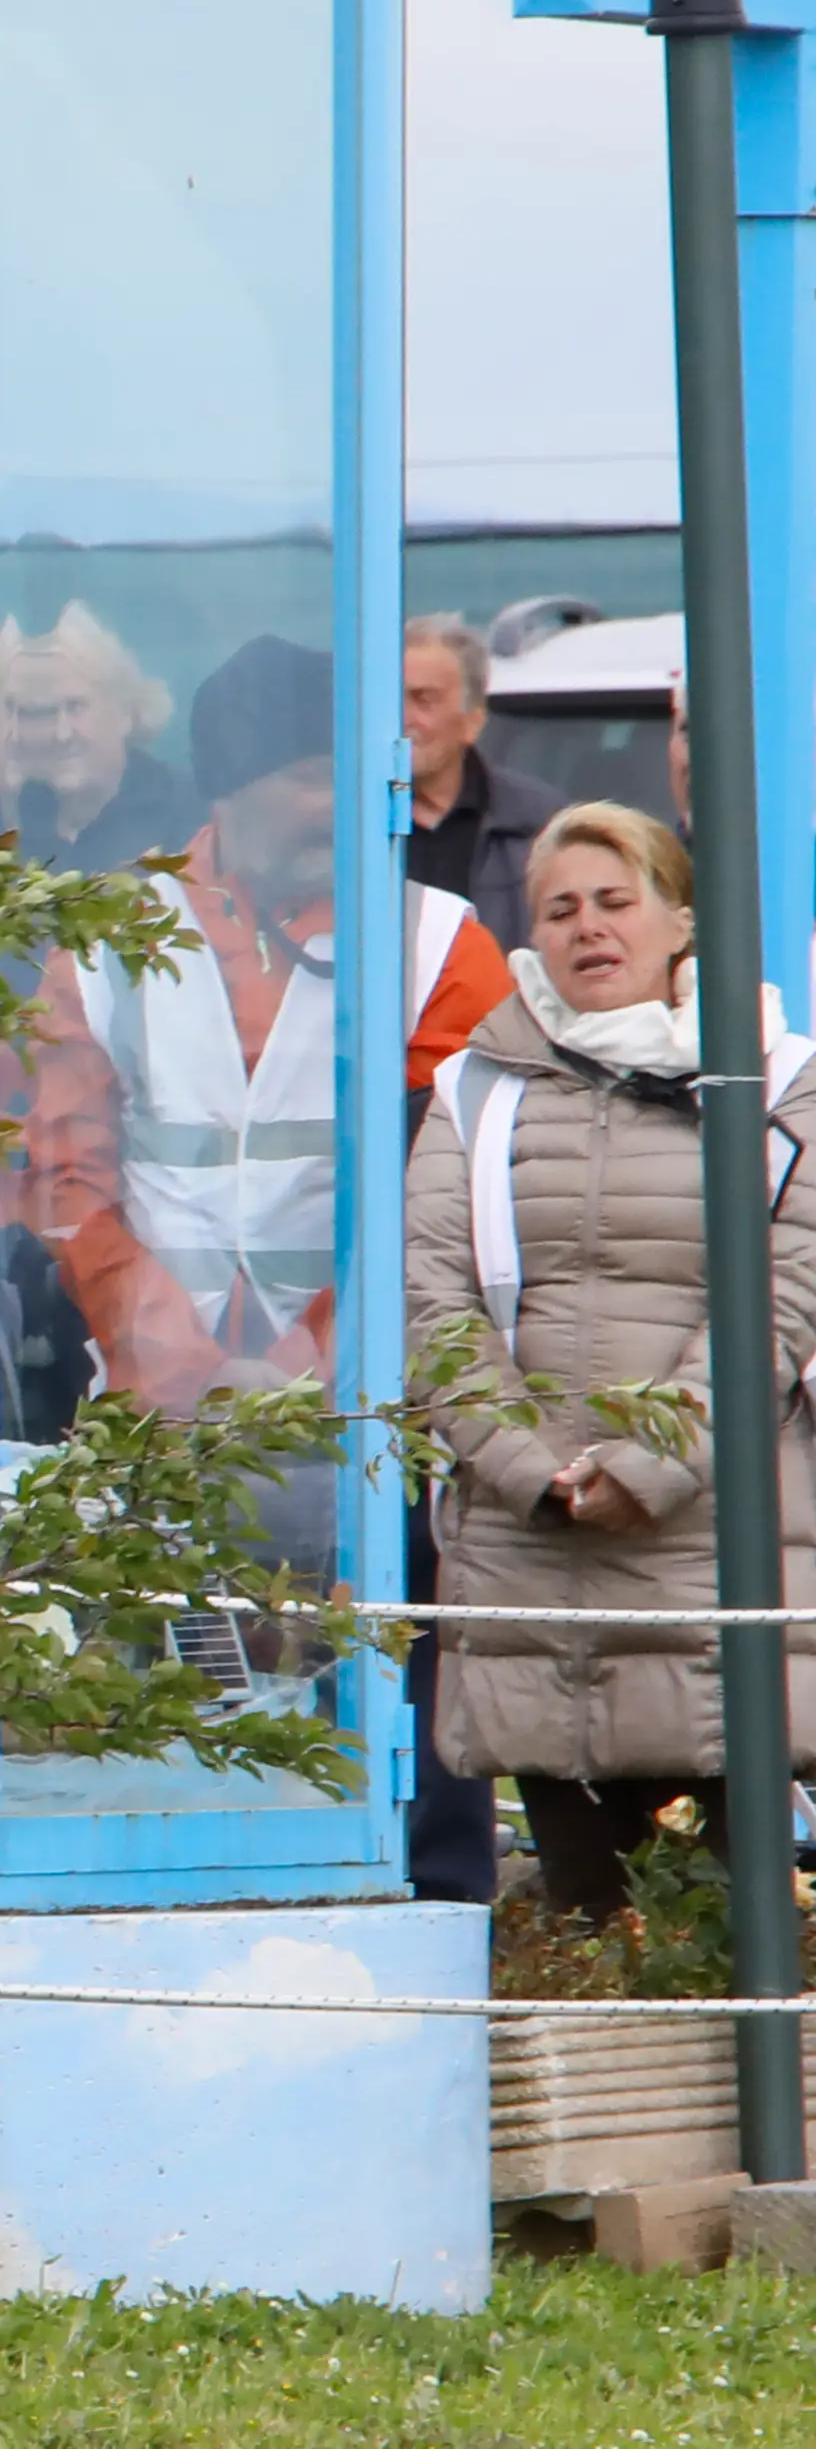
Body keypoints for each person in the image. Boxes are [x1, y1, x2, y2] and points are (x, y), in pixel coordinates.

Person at [409, 801, 816, 1920]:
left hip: (715, 1530)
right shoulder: (475, 1090)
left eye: (614, 898)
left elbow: (782, 1304)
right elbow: (435, 1304)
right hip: (528, 1535)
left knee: (741, 1922)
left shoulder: (783, 1082)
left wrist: (645, 1464)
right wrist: (525, 1466)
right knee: (589, 1915)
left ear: (679, 914)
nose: (588, 926)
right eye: (560, 907)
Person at [17, 636, 514, 1414]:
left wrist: (306, 1366)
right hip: (153, 1407)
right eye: (316, 781)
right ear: (229, 792)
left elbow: (442, 1203)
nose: (343, 806)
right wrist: (181, 1368)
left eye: (352, 779)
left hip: (373, 1411)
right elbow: (63, 1181)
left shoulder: (443, 948)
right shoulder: (100, 939)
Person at [0, 602, 196, 875]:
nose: (60, 734)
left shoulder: (187, 812)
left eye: (75, 706)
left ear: (125, 710)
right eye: (20, 709)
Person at [404, 613, 562, 953]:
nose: (402, 719)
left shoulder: (538, 826)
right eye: (390, 699)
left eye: (423, 700)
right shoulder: (345, 828)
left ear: (473, 721)